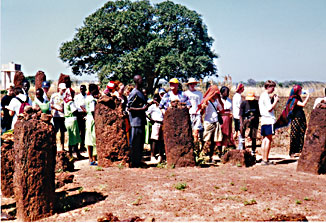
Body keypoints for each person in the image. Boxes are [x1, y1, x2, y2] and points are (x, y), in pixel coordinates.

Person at [275, 85, 310, 157]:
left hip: (301, 118)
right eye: (300, 90)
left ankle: (299, 151)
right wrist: (308, 96)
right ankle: (293, 151)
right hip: (296, 118)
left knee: (301, 134)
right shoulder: (294, 99)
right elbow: (303, 104)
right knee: (295, 134)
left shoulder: (297, 98)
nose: (301, 91)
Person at [197, 85, 224, 162]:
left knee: (214, 141)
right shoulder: (206, 101)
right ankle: (204, 156)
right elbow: (202, 111)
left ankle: (210, 156)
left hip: (215, 121)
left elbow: (221, 108)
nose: (217, 95)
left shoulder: (216, 101)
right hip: (208, 122)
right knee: (206, 140)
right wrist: (203, 107)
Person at [127, 75, 149, 167]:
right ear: (136, 81)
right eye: (140, 79)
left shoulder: (139, 92)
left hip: (141, 121)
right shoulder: (134, 93)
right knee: (135, 143)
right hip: (135, 122)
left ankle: (138, 160)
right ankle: (134, 162)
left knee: (140, 143)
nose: (142, 80)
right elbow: (130, 108)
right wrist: (142, 109)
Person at [258, 80, 279, 165]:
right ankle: (265, 159)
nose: (273, 89)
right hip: (268, 119)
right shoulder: (265, 96)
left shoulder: (263, 96)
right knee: (268, 139)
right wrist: (275, 101)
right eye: (272, 87)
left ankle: (264, 158)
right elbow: (270, 108)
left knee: (264, 139)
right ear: (268, 87)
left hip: (264, 119)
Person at [63, 88, 84, 159]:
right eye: (72, 93)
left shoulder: (65, 101)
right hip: (72, 120)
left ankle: (72, 154)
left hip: (67, 120)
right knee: (74, 137)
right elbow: (74, 111)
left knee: (71, 137)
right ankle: (74, 154)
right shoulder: (70, 102)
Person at [146, 94, 164, 163]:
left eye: (157, 99)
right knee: (154, 139)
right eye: (155, 99)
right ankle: (152, 156)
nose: (156, 101)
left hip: (162, 123)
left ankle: (160, 155)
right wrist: (150, 120)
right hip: (156, 123)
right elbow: (146, 113)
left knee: (161, 140)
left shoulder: (162, 106)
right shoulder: (152, 107)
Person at [184, 78, 203, 143]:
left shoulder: (199, 93)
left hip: (197, 114)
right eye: (191, 84)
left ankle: (195, 146)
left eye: (193, 84)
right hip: (188, 114)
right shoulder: (185, 93)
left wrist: (201, 113)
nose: (192, 85)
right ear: (188, 85)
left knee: (196, 132)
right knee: (189, 132)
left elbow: (201, 104)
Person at [217, 86, 235, 153]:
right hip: (221, 118)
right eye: (226, 92)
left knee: (228, 133)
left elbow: (231, 109)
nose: (227, 93)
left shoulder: (229, 100)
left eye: (228, 92)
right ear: (222, 92)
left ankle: (226, 148)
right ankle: (219, 150)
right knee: (221, 133)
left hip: (228, 118)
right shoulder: (218, 100)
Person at [85, 84, 100, 165]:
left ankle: (91, 158)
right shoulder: (92, 100)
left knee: (89, 139)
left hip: (88, 119)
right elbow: (92, 111)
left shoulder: (87, 98)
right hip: (92, 120)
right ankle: (92, 158)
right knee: (93, 139)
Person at [50, 83, 67, 151]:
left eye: (64, 90)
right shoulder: (54, 96)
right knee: (56, 131)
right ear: (59, 89)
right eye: (62, 90)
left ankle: (62, 147)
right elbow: (51, 105)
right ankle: (54, 146)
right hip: (56, 115)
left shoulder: (65, 96)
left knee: (63, 132)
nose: (63, 91)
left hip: (63, 116)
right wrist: (57, 109)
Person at [74, 84, 87, 152]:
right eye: (81, 89)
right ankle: (76, 146)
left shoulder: (87, 96)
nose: (82, 90)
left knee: (84, 131)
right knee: (78, 131)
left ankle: (82, 146)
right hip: (79, 114)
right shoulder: (77, 97)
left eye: (83, 89)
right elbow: (76, 106)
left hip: (85, 113)